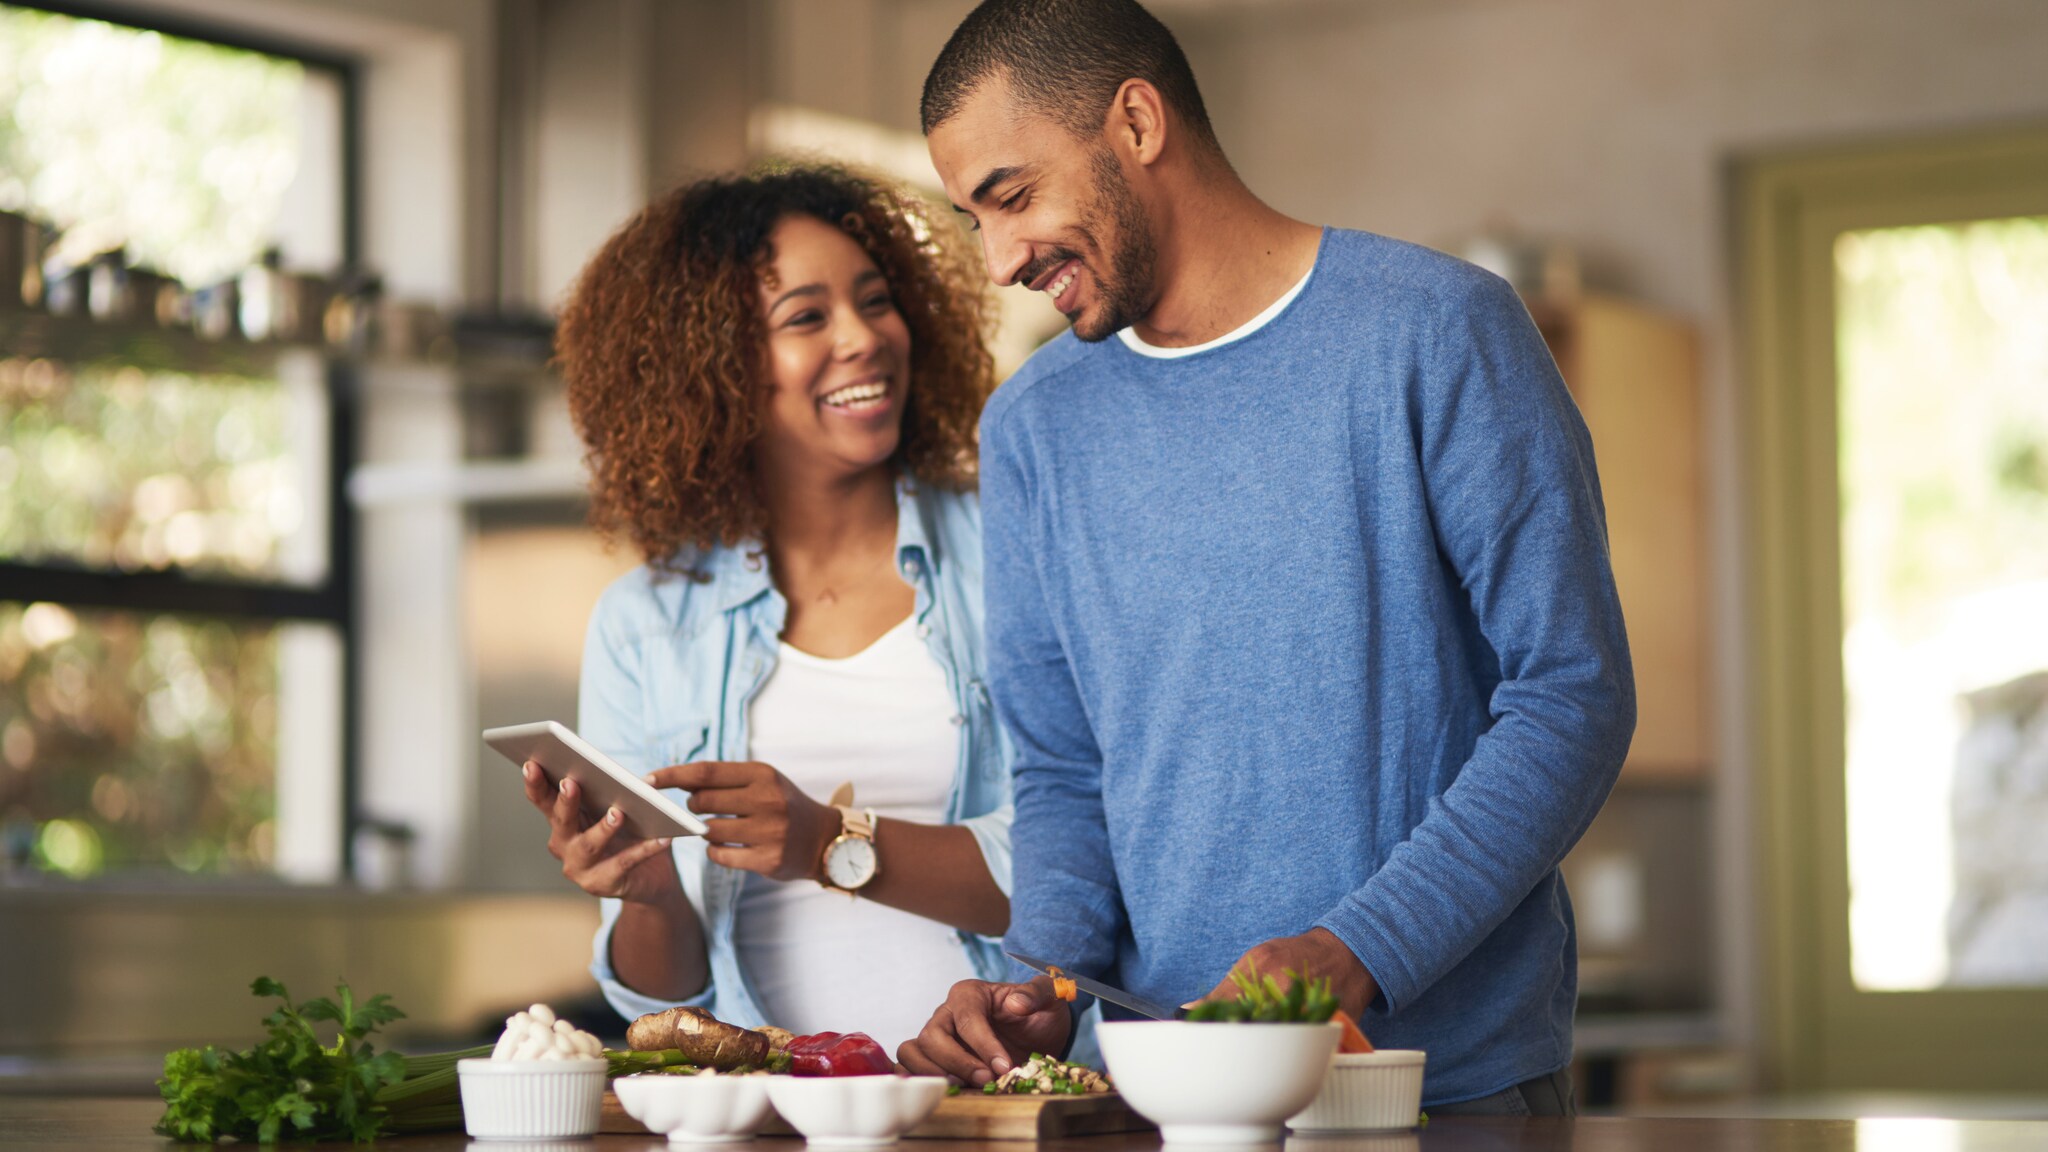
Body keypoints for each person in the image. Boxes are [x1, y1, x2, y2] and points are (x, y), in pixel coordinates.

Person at [897, 0, 1633, 1116]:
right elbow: (1060, 767)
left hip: (1439, 1087)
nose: (998, 260)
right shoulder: (1032, 426)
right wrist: (1040, 978)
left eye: (1012, 196)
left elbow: (1570, 697)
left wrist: (1357, 950)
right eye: (973, 219)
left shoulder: (1438, 334)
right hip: (1155, 1090)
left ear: (1136, 123)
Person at [527, 164, 1012, 1053]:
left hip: (1007, 1099)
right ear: (711, 369)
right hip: (775, 1117)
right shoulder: (647, 624)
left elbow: (1078, 875)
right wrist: (646, 892)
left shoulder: (1013, 553)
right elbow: (661, 1002)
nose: (865, 338)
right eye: (807, 317)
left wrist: (829, 841)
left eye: (876, 301)